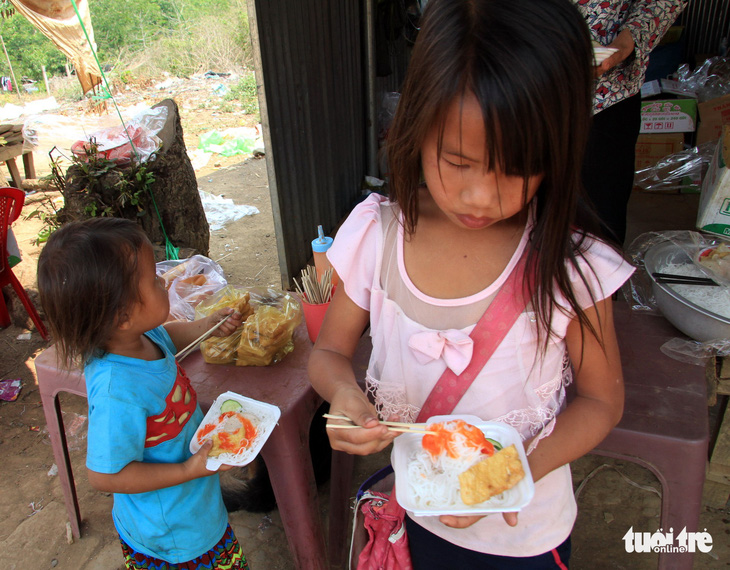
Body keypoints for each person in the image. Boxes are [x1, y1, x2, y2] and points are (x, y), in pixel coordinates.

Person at [308, 0, 635, 567]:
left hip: (522, 534)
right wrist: (342, 394)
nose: (482, 196)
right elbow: (330, 351)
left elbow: (603, 402)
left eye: (515, 167)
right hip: (419, 517)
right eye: (458, 162)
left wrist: (511, 473)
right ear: (415, 125)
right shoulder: (377, 236)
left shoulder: (571, 268)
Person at [37, 217, 250, 570]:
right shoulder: (117, 389)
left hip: (194, 505)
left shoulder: (140, 338)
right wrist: (187, 470)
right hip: (170, 535)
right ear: (122, 316)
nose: (163, 279)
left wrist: (206, 327)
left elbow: (170, 338)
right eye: (152, 279)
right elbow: (105, 476)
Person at [577, 0, 687, 246]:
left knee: (599, 223)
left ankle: (601, 283)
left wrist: (627, 42)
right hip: (514, 88)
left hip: (606, 96)